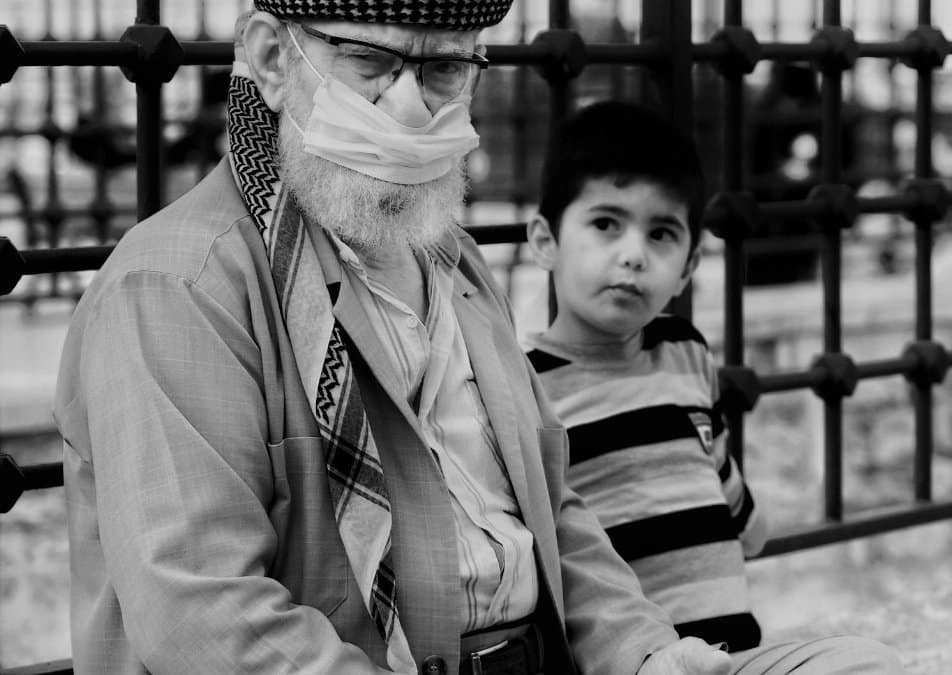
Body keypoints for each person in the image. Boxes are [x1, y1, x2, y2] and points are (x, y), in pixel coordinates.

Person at [53, 3, 733, 673]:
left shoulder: (451, 259)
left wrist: (644, 652)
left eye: (442, 67)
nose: (407, 106)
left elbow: (548, 506)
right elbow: (202, 612)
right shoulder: (179, 285)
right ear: (270, 58)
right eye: (369, 60)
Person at [524, 101, 905, 674]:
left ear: (688, 264)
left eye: (661, 235)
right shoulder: (527, 381)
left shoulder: (684, 352)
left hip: (734, 657)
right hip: (634, 664)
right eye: (605, 224)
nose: (632, 254)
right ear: (545, 240)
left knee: (867, 661)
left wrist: (743, 520)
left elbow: (717, 472)